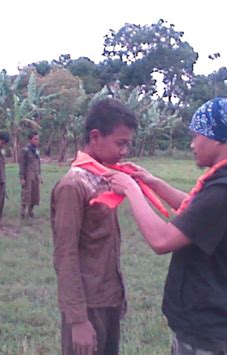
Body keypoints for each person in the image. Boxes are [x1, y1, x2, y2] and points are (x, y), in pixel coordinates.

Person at [106, 97, 227, 354]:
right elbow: (198, 212)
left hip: (206, 327)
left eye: (197, 136)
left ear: (218, 138)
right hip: (216, 319)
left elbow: (162, 240)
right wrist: (152, 182)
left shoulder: (225, 191)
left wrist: (131, 189)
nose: (192, 144)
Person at [50, 98, 138, 355]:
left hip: (108, 298)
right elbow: (65, 255)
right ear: (96, 136)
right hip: (88, 305)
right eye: (120, 143)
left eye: (127, 144)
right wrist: (78, 320)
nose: (124, 151)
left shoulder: (102, 178)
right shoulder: (73, 186)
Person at [19, 131, 42, 219]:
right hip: (27, 175)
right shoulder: (25, 150)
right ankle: (22, 212)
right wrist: (21, 177)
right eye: (35, 139)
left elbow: (38, 163)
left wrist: (39, 174)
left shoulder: (36, 151)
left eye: (38, 139)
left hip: (35, 175)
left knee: (35, 195)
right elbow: (22, 165)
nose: (37, 141)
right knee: (26, 194)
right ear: (30, 140)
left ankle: (30, 212)